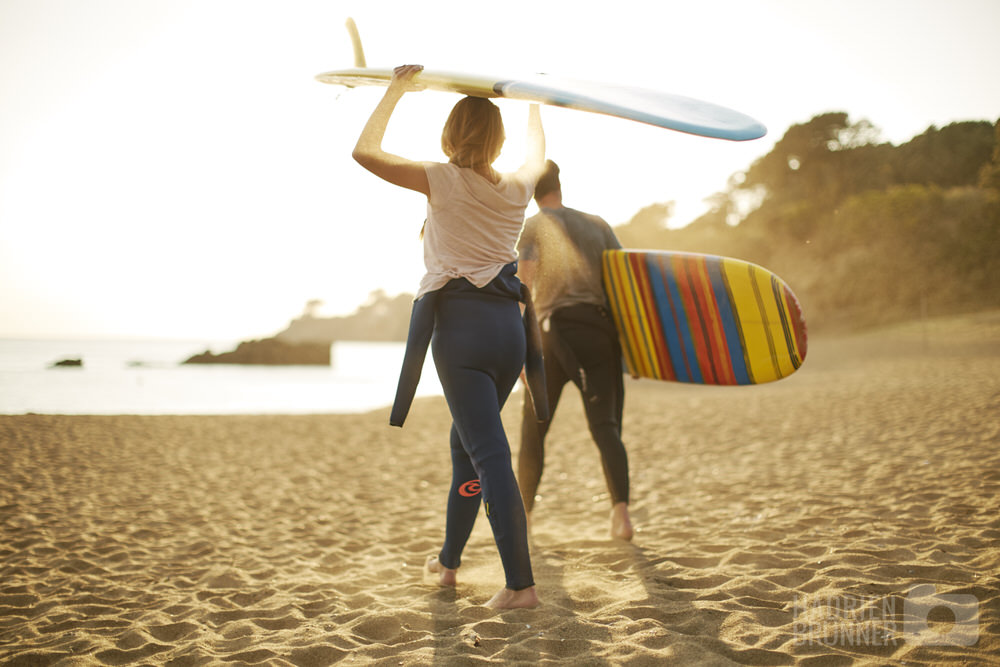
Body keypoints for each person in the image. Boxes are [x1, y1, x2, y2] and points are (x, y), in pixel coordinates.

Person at [352, 65, 547, 609]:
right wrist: (533, 103)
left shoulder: (441, 178)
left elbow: (364, 153)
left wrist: (396, 89)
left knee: (487, 455)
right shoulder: (517, 189)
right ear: (498, 140)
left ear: (449, 135)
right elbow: (537, 156)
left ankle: (520, 587)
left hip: (460, 331)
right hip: (507, 332)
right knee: (467, 452)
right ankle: (448, 563)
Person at [516, 160, 634, 541]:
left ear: (531, 192)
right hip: (600, 331)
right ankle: (622, 516)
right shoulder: (598, 224)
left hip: (552, 337)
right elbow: (624, 284)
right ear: (560, 185)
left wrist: (517, 345)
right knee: (606, 427)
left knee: (534, 433)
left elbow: (524, 287)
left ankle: (525, 519)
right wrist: (635, 350)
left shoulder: (534, 225)